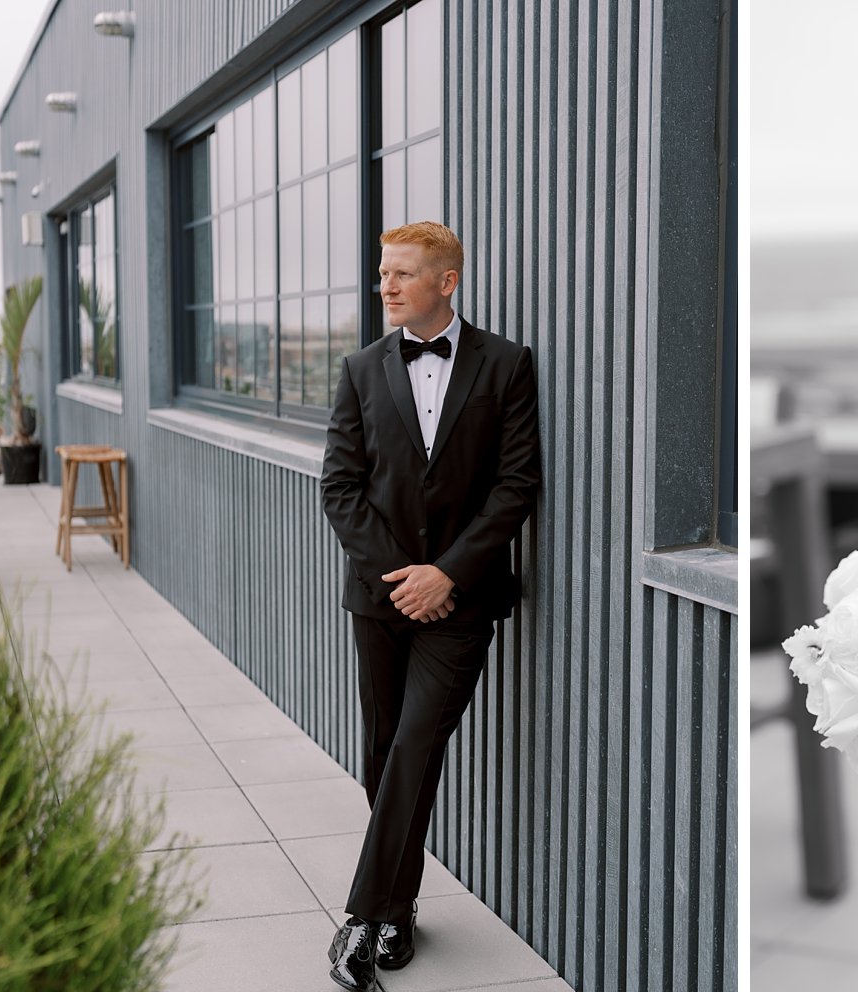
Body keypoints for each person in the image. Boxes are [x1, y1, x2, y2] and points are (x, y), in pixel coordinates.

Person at [320, 221, 540, 991]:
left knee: (415, 744)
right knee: (384, 754)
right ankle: (399, 912)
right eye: (383, 273)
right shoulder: (359, 370)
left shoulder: (508, 365)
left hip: (464, 602)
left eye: (402, 274)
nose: (385, 286)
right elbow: (339, 489)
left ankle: (359, 917)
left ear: (446, 282)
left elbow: (517, 485)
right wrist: (403, 579)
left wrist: (445, 574)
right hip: (380, 601)